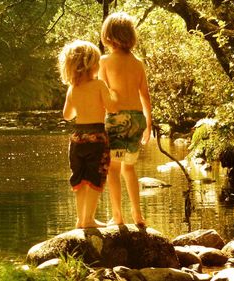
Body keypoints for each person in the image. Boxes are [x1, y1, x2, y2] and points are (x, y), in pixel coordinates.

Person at [98, 12, 152, 226]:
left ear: (108, 37)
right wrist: (148, 123)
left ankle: (117, 215)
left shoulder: (105, 61)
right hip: (137, 118)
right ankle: (137, 214)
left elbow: (104, 93)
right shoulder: (138, 63)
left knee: (113, 168)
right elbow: (145, 95)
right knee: (129, 168)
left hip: (117, 120)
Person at [59, 40, 111, 229]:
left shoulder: (73, 88)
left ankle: (80, 219)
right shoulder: (99, 85)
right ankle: (89, 218)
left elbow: (67, 115)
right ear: (92, 65)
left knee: (79, 178)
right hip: (96, 136)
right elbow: (111, 107)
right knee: (96, 176)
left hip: (77, 138)